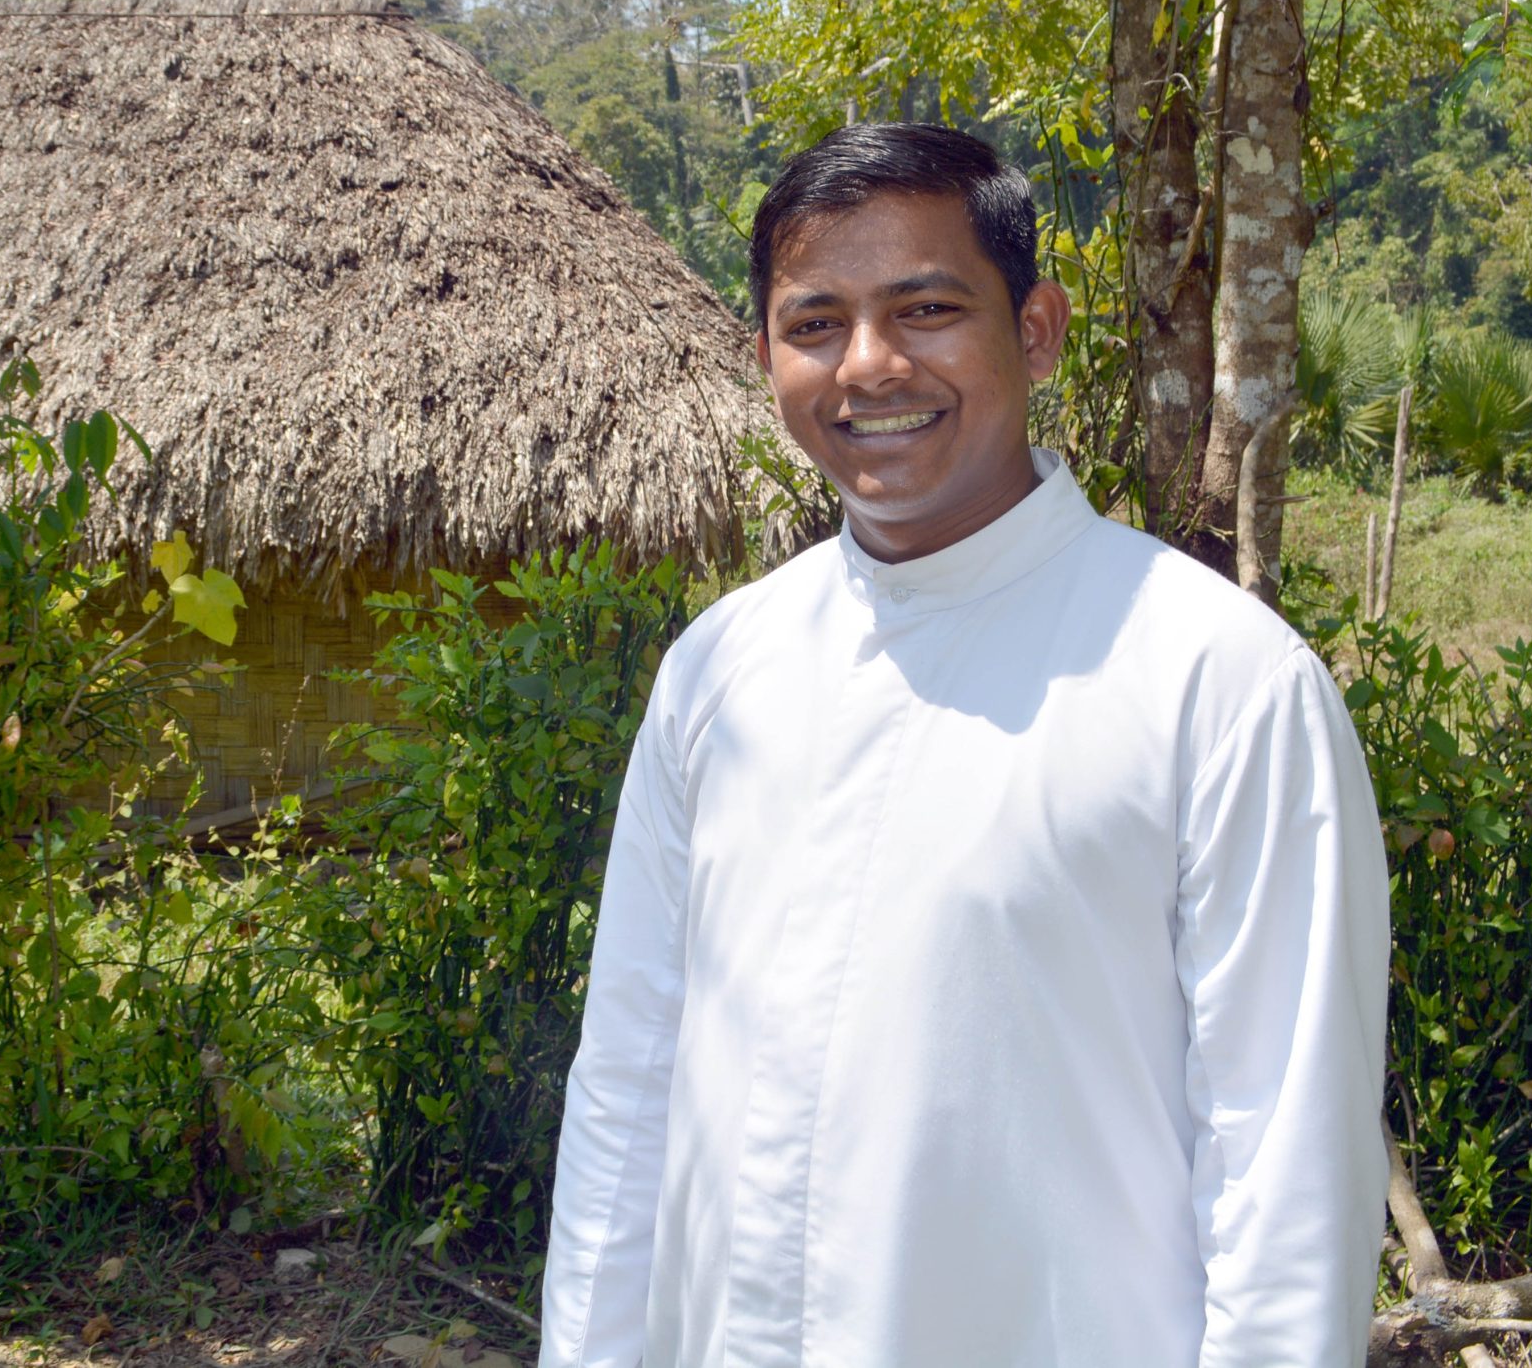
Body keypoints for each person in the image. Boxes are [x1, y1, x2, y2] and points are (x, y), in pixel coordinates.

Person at [537, 123, 1390, 1368]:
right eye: (813, 323)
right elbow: (626, 1084)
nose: (868, 366)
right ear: (765, 352)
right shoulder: (721, 671)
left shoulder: (1215, 680)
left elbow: (1287, 1161)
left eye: (925, 307)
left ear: (1033, 330)